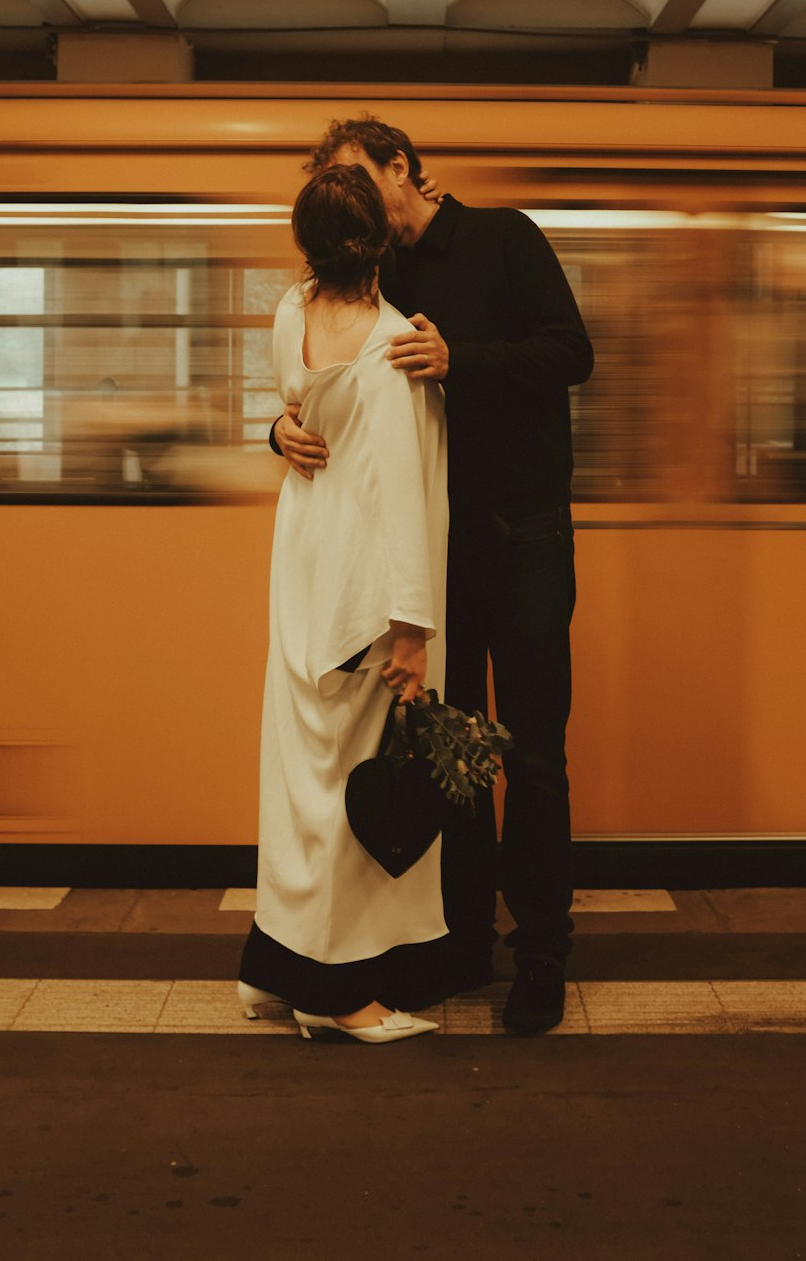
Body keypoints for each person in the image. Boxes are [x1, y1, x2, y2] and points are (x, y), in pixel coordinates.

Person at [271, 116, 594, 1033]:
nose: (349, 203)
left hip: (523, 535)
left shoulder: (505, 237)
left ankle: (542, 951)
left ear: (402, 167)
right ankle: (459, 939)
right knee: (447, 754)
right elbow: (322, 386)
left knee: (531, 753)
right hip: (430, 552)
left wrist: (462, 361)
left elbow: (573, 353)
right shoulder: (368, 270)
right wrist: (278, 431)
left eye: (357, 181)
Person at [238, 162, 450, 1044]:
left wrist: (278, 428)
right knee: (346, 796)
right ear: (378, 243)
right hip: (364, 593)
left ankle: (271, 970)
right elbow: (402, 493)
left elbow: (290, 410)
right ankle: (338, 993)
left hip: (300, 571)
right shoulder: (392, 344)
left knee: (298, 785)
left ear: (307, 245)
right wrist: (412, 629)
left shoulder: (291, 315)